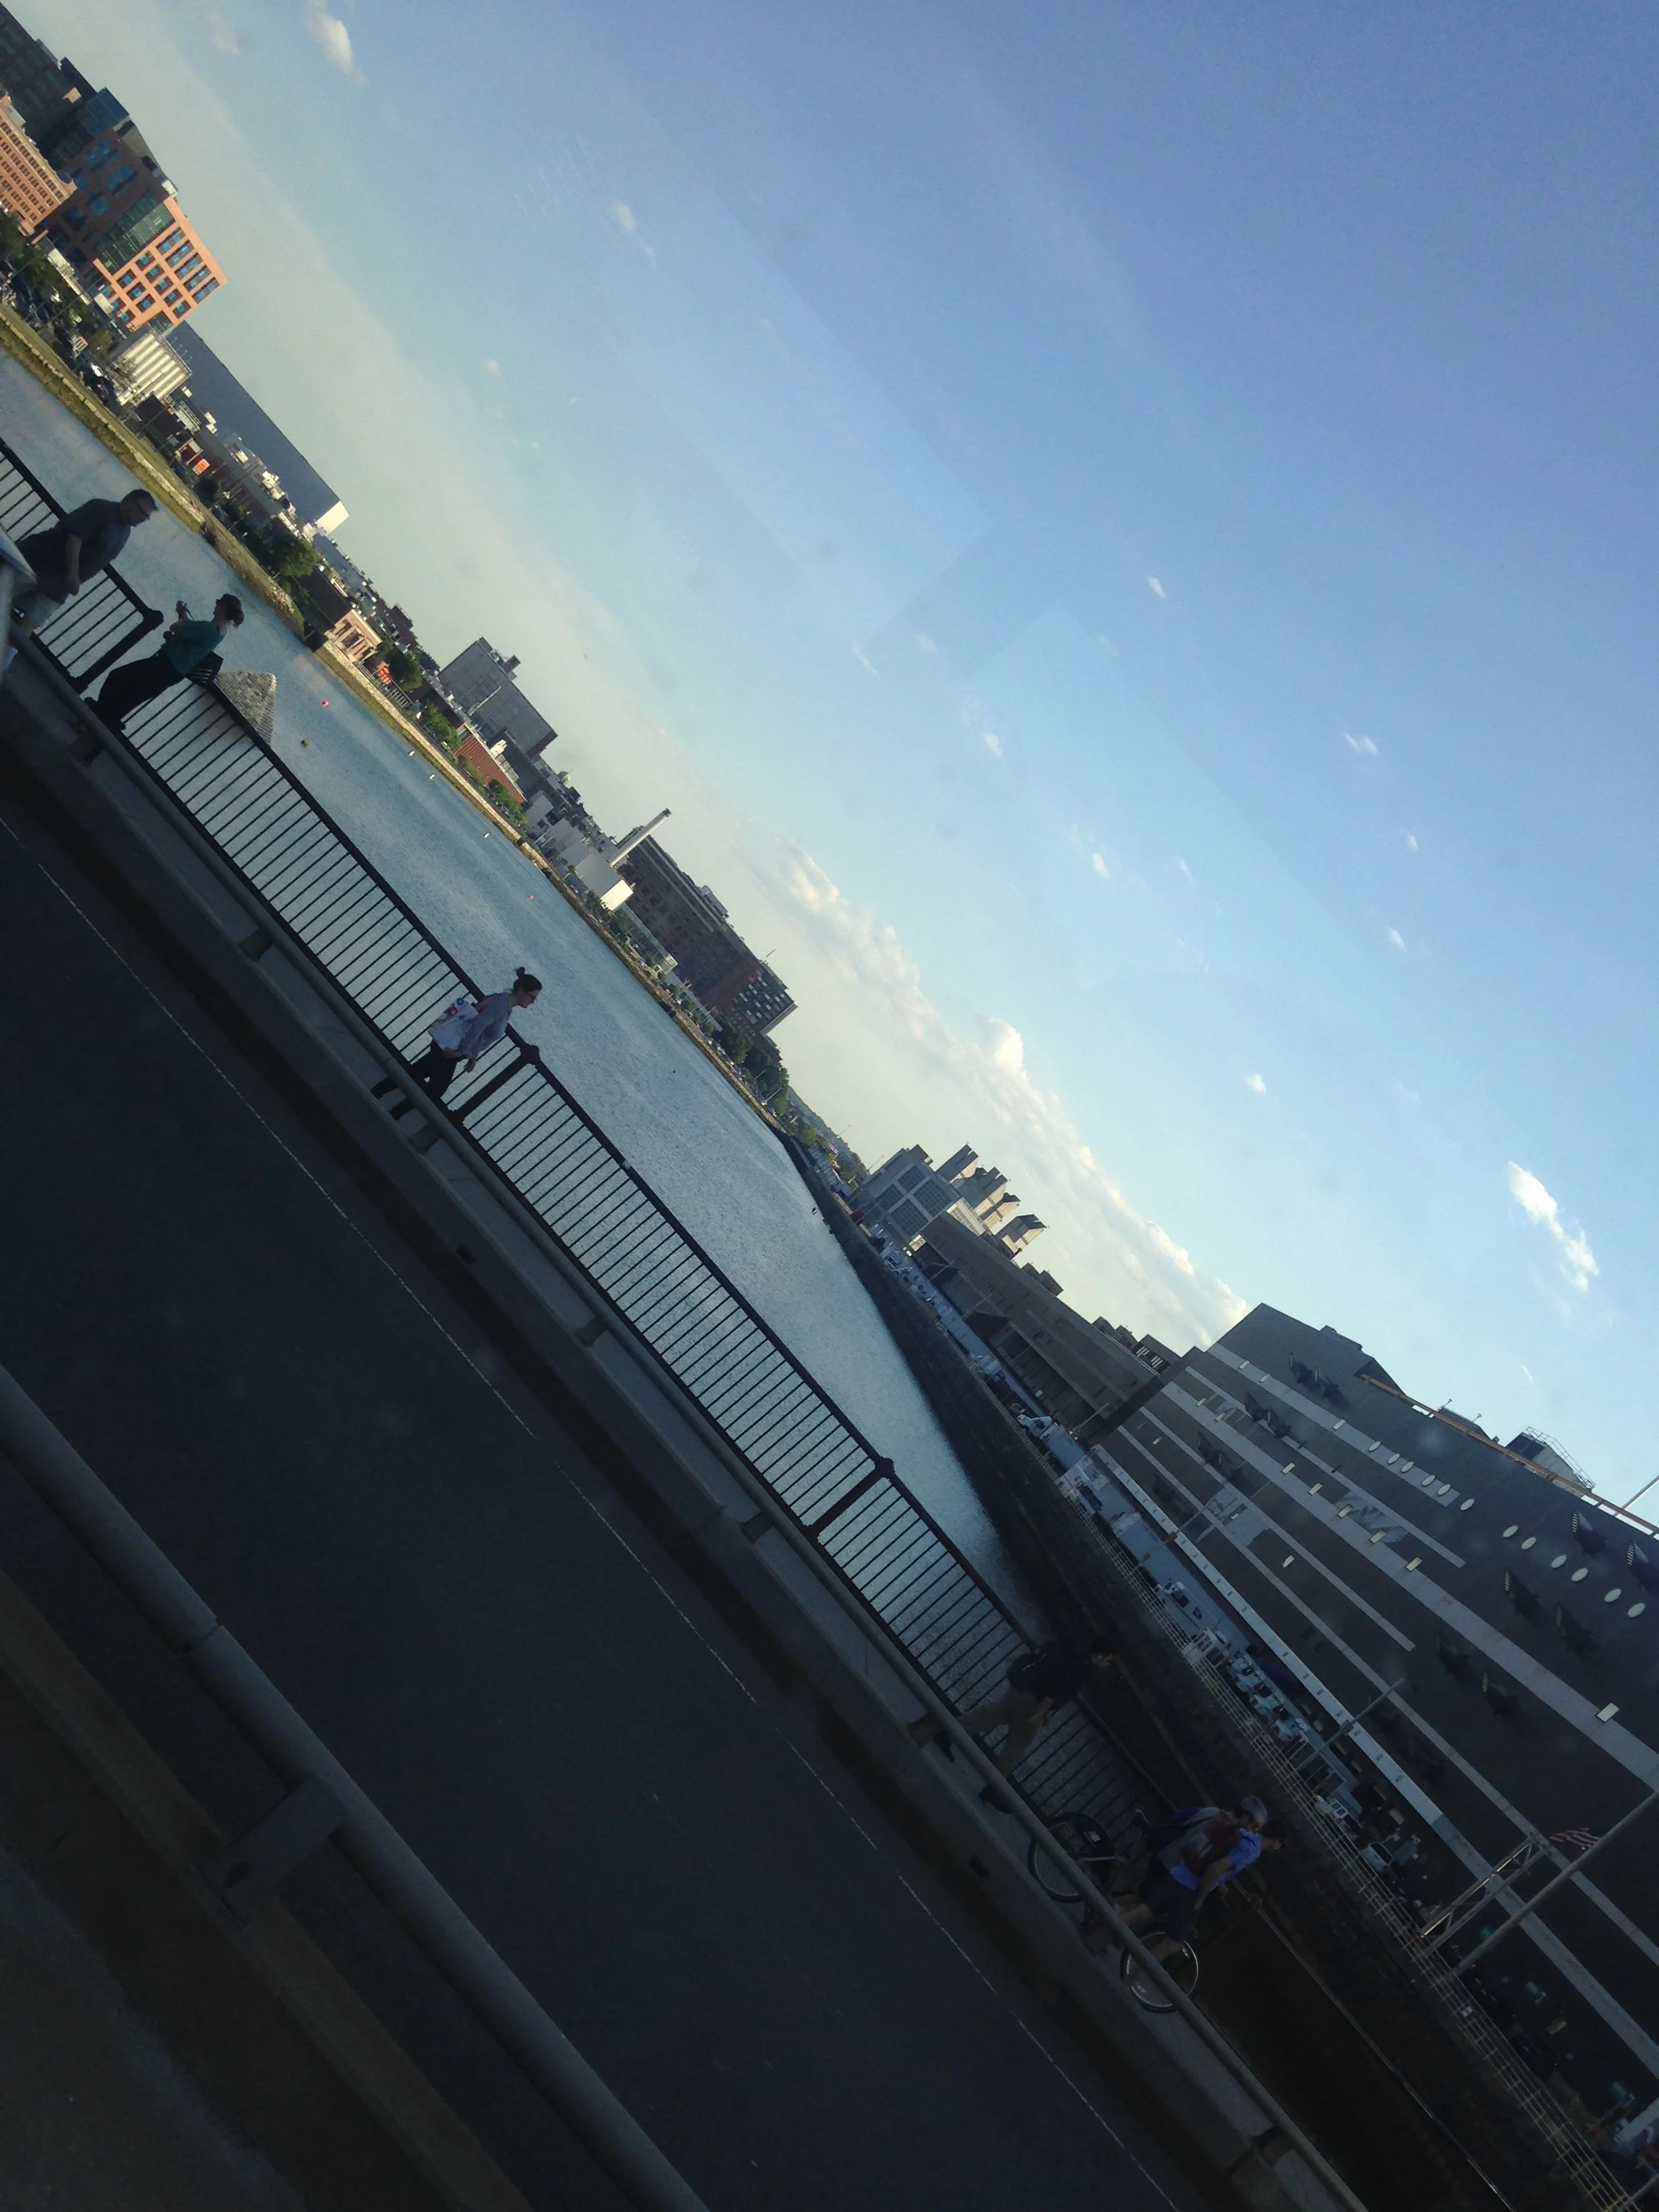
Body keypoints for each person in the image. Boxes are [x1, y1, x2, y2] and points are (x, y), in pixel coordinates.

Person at [912, 1637, 1115, 1803]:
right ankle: (994, 1789)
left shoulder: (1070, 1654)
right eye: (1108, 1660)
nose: (1107, 1664)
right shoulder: (1082, 1670)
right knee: (1015, 1748)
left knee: (986, 1716)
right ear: (1100, 1655)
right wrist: (1040, 1715)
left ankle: (945, 1733)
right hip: (1033, 1704)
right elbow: (1055, 1691)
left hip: (1020, 1690)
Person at [1120, 1801, 1285, 1976]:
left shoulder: (1227, 1823)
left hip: (1178, 1868)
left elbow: (1182, 1821)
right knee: (1165, 1937)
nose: (1253, 1829)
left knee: (1142, 1909)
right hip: (1184, 1878)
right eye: (1254, 1825)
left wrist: (1218, 1882)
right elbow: (1215, 1866)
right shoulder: (1248, 1846)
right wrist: (1202, 1896)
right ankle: (1127, 1978)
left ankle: (1105, 1929)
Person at [7, 487, 157, 663]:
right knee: (5, 595)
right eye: (142, 512)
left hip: (59, 586)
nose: (143, 519)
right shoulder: (101, 509)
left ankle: (4, 662)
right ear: (129, 502)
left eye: (146, 517)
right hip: (40, 561)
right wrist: (73, 574)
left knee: (32, 621)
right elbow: (74, 538)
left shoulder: (125, 532)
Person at [372, 968, 544, 1114]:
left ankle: (379, 1096)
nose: (533, 1002)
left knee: (416, 1073)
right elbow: (478, 1024)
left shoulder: (500, 999)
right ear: (521, 991)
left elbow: (476, 1020)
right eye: (532, 997)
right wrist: (462, 1051)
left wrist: (472, 1055)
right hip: (452, 1049)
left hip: (451, 1045)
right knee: (435, 1090)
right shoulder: (502, 1006)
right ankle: (393, 1112)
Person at [94, 594, 245, 732]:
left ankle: (98, 714)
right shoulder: (221, 632)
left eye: (218, 602)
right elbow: (192, 631)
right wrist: (183, 616)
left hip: (165, 665)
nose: (216, 604)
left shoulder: (208, 628)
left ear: (223, 608)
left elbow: (175, 628)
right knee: (133, 697)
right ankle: (104, 722)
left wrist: (182, 621)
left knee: (118, 677)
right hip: (175, 672)